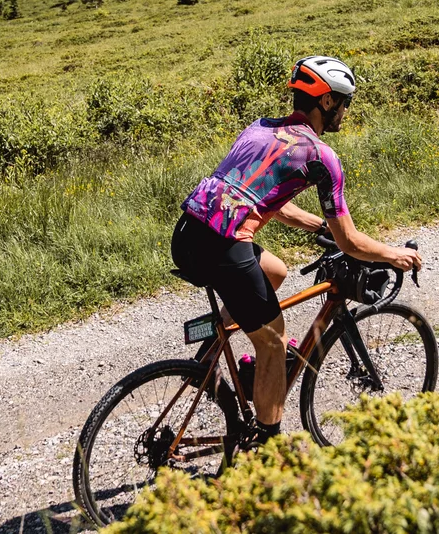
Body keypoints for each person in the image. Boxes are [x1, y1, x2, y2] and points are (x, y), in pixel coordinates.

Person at [173, 55, 423, 448]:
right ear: (326, 102)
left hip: (188, 233)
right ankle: (268, 446)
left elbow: (271, 201)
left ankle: (207, 352)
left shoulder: (259, 129)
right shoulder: (321, 156)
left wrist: (318, 225)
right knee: (273, 342)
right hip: (224, 246)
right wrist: (393, 254)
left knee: (274, 271)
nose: (345, 111)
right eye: (344, 102)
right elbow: (351, 243)